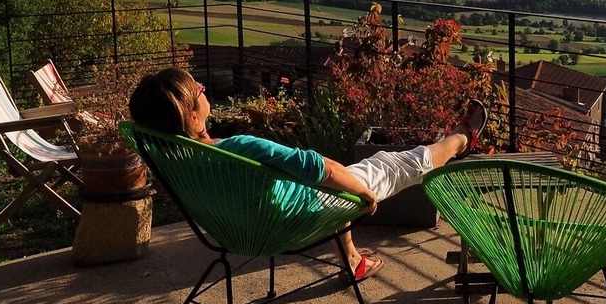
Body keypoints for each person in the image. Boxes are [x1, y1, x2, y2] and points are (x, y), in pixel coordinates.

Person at [128, 67, 487, 281]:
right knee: (389, 165)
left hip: (238, 232)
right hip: (291, 223)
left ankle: (353, 261)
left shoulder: (173, 157)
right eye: (199, 90)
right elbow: (323, 169)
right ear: (192, 116)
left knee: (335, 178)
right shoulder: (242, 149)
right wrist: (365, 195)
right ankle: (458, 140)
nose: (204, 89)